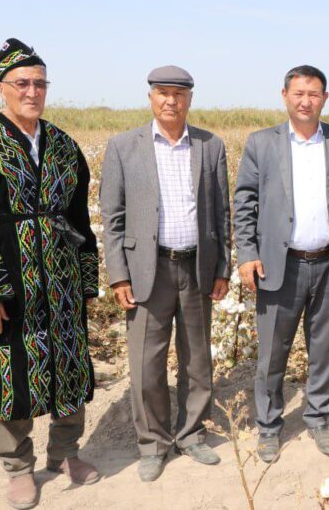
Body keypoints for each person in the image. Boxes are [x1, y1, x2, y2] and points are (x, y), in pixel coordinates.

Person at [0, 39, 101, 509]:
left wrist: (85, 280)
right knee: (12, 370)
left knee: (70, 367)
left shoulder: (63, 146)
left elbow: (79, 219)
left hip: (62, 284)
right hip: (9, 287)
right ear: (2, 87)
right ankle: (18, 467)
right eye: (22, 83)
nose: (32, 91)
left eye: (39, 83)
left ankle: (65, 453)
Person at [99, 66, 232, 482]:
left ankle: (192, 434)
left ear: (190, 99)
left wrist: (222, 267)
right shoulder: (124, 147)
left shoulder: (210, 146)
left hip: (196, 267)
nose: (170, 101)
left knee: (197, 360)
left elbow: (222, 213)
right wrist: (119, 275)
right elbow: (112, 217)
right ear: (151, 97)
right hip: (147, 270)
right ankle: (153, 444)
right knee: (146, 363)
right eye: (162, 92)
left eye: (179, 94)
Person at [233, 65, 329, 461]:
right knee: (272, 352)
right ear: (285, 96)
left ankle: (318, 418)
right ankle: (269, 426)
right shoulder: (262, 143)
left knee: (323, 348)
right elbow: (244, 202)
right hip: (280, 265)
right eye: (299, 93)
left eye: (313, 94)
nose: (306, 101)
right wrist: (247, 254)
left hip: (328, 263)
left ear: (325, 98)